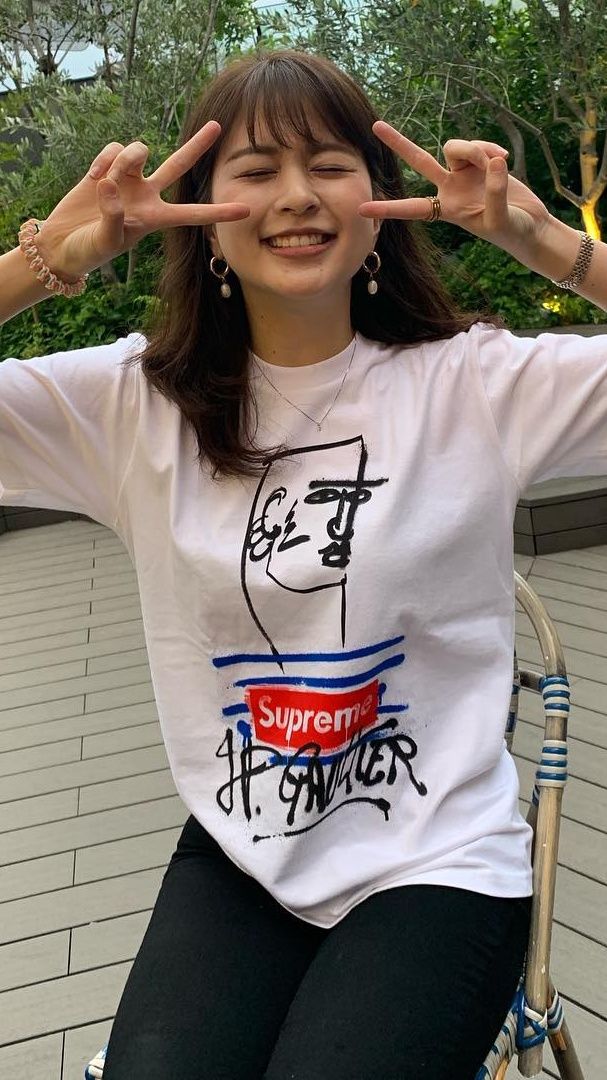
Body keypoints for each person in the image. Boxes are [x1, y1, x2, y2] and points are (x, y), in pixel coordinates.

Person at [1, 47, 605, 1080]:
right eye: (255, 170)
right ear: (201, 218)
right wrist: (48, 259)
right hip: (243, 850)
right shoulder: (127, 408)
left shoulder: (478, 387)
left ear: (378, 206)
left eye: (329, 164)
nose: (295, 196)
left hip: (438, 859)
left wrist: (541, 239)